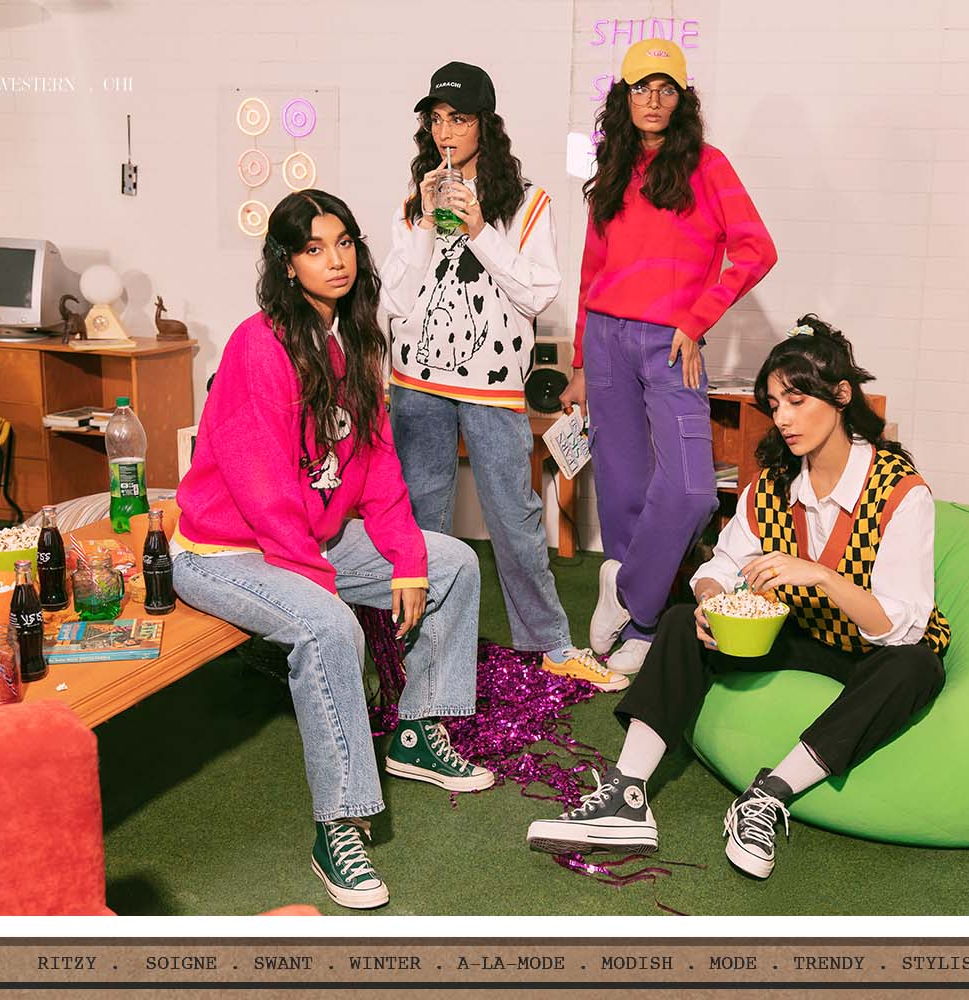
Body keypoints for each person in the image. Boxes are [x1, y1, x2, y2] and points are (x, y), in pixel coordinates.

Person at [528, 317, 950, 879]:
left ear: (842, 396)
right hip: (801, 635)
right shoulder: (771, 485)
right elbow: (720, 568)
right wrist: (709, 601)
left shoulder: (900, 492)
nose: (783, 418)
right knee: (681, 620)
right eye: (775, 405)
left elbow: (902, 624)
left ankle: (767, 796)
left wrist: (820, 577)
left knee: (918, 666)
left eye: (797, 400)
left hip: (870, 651)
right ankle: (627, 796)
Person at [172, 189, 493, 910]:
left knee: (452, 565)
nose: (336, 260)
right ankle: (338, 825)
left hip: (304, 537)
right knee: (327, 626)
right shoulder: (257, 346)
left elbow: (376, 465)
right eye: (314, 249)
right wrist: (321, 585)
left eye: (343, 242)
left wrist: (407, 558)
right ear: (287, 265)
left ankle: (416, 733)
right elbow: (262, 492)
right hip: (223, 551)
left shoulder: (351, 342)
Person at [381, 62, 627, 693]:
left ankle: (549, 645)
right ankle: (417, 652)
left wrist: (479, 231)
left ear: (485, 125)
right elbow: (395, 299)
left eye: (458, 119)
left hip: (491, 386)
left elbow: (538, 293)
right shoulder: (413, 200)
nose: (445, 132)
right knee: (421, 521)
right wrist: (425, 224)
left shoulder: (527, 202)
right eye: (436, 120)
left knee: (515, 517)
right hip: (415, 381)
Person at [562, 38, 778, 678]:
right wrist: (579, 362)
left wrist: (697, 318)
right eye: (641, 88)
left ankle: (626, 591)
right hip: (604, 341)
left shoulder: (707, 166)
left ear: (682, 99)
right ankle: (643, 628)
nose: (653, 100)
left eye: (666, 89)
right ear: (623, 98)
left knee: (689, 490)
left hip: (670, 344)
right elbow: (592, 269)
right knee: (623, 487)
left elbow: (756, 249)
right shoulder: (613, 169)